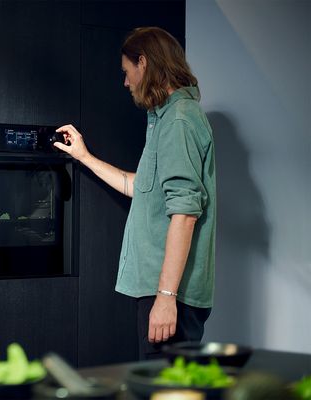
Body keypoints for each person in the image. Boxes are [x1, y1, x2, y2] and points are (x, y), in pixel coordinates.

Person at [54, 27, 216, 360]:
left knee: (164, 392)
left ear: (144, 63)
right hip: (162, 291)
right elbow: (140, 188)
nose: (126, 83)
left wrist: (166, 297)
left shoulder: (179, 122)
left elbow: (185, 213)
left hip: (171, 295)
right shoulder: (167, 118)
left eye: (127, 73)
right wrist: (84, 157)